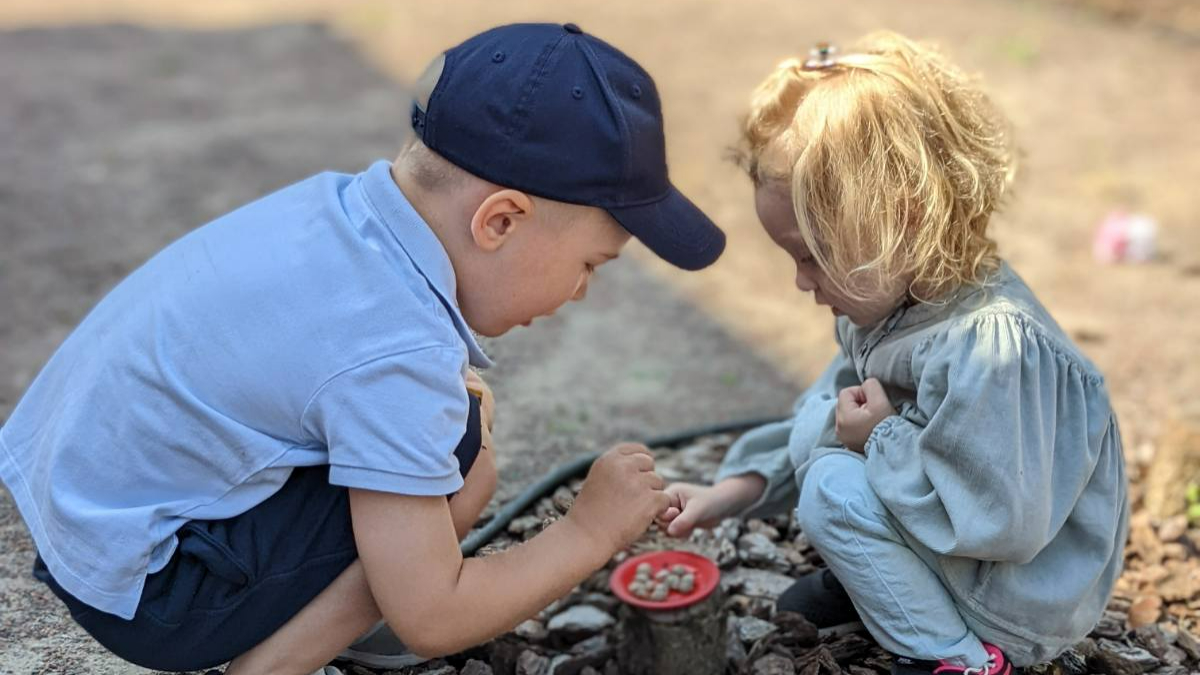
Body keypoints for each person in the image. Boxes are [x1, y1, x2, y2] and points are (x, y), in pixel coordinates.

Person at [0, 22, 725, 675]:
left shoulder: (335, 209)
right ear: (501, 220)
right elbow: (433, 618)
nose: (580, 292)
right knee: (459, 462)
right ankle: (273, 664)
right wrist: (588, 530)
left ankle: (322, 612)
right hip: (150, 588)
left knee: (448, 428)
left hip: (86, 513)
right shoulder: (395, 350)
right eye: (591, 264)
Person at [658, 31, 1128, 675]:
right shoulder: (888, 302)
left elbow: (1001, 522)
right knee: (834, 442)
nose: (802, 281)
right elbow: (824, 414)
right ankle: (892, 590)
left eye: (811, 255)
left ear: (901, 221)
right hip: (965, 556)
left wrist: (881, 438)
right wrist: (732, 493)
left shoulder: (993, 351)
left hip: (1017, 597)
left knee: (831, 488)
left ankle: (957, 656)